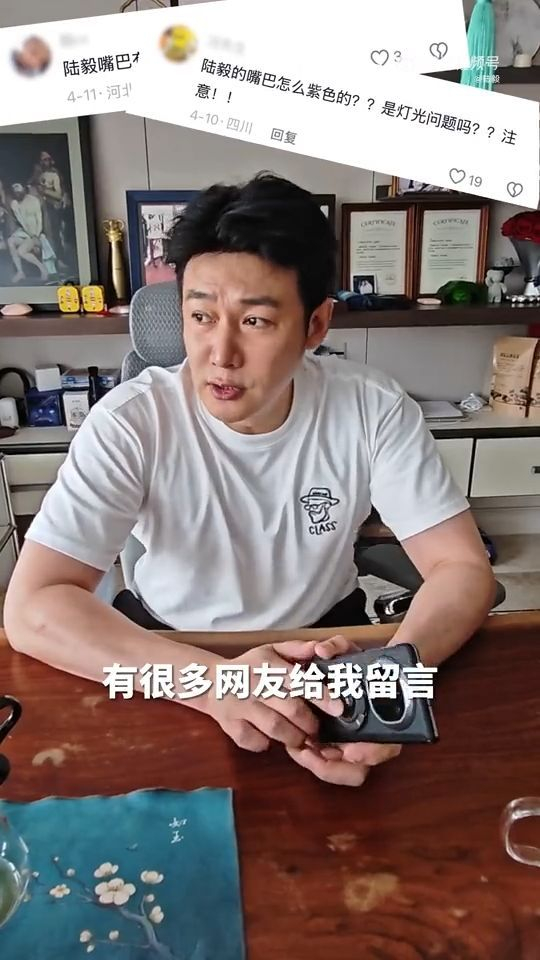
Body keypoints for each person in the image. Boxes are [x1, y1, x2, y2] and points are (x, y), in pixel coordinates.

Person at [4, 172, 496, 787]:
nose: (221, 354)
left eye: (256, 321)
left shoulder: (371, 408)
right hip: (171, 651)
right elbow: (33, 607)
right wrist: (216, 684)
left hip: (324, 647)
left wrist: (388, 677)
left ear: (316, 325)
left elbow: (462, 568)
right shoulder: (132, 422)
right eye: (200, 316)